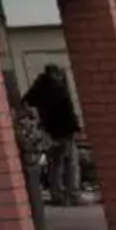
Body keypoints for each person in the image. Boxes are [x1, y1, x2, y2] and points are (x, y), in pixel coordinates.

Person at [24, 64, 86, 205]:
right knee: (71, 163)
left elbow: (26, 103)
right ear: (56, 74)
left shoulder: (38, 89)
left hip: (49, 131)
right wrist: (75, 129)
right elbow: (67, 112)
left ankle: (57, 194)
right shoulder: (59, 89)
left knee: (55, 164)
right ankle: (73, 194)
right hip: (64, 131)